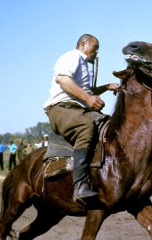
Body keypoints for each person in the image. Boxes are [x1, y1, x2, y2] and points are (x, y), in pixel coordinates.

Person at [43, 34, 119, 202]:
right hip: (61, 109)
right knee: (87, 127)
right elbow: (63, 79)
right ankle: (80, 185)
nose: (97, 51)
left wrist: (107, 87)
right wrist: (88, 98)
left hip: (78, 110)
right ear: (83, 44)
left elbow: (86, 91)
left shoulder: (84, 64)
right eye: (95, 46)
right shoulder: (72, 56)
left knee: (110, 125)